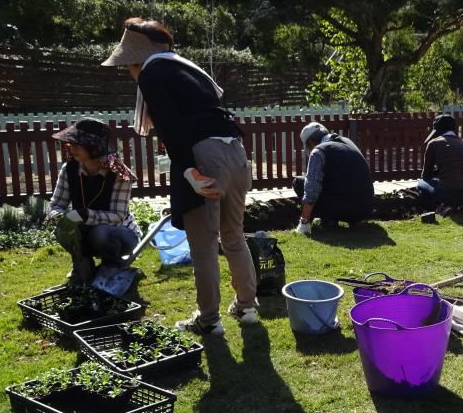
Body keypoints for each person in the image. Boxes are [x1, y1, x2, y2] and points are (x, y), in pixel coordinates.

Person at [102, 17, 257, 336]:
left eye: (128, 65)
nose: (130, 72)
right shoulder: (188, 68)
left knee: (202, 244)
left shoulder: (152, 72)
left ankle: (209, 319)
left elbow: (171, 124)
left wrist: (189, 170)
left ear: (137, 58)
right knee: (233, 235)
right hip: (236, 152)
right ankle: (247, 307)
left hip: (204, 156)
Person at [46, 118, 142, 285]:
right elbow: (56, 205)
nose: (71, 147)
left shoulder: (119, 174)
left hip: (121, 235)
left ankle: (112, 267)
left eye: (77, 143)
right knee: (63, 231)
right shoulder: (69, 170)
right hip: (87, 232)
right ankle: (82, 266)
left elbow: (118, 216)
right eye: (70, 143)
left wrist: (83, 215)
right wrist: (60, 217)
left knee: (101, 233)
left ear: (94, 147)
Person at [293, 122, 374, 235]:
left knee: (298, 182)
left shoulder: (319, 151)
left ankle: (328, 219)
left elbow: (311, 190)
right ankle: (335, 220)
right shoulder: (347, 141)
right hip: (366, 208)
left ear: (310, 142)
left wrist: (303, 223)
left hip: (346, 210)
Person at [417, 114, 463, 213]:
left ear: (438, 130)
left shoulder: (434, 143)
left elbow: (426, 174)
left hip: (450, 193)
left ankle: (440, 206)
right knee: (456, 184)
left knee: (422, 183)